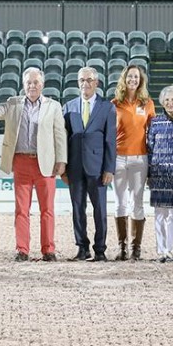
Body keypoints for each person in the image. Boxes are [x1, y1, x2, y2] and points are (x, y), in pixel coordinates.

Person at [0, 67, 67, 261]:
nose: (32, 86)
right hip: (21, 162)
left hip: (45, 163)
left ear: (42, 84)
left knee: (48, 210)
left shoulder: (53, 106)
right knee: (21, 210)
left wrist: (61, 160)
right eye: (28, 83)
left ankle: (48, 250)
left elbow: (60, 135)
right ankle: (22, 250)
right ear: (23, 85)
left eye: (35, 82)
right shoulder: (13, 103)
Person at [61, 67, 116, 262]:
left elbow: (111, 140)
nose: (85, 83)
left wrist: (109, 168)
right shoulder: (68, 107)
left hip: (98, 167)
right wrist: (63, 167)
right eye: (82, 80)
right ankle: (82, 248)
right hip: (74, 168)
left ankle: (100, 249)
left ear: (97, 83)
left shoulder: (107, 107)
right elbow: (63, 140)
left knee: (99, 209)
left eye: (89, 80)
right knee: (77, 208)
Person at [111, 64, 156, 261]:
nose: (133, 80)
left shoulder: (147, 103)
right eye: (130, 76)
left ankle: (136, 248)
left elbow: (153, 134)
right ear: (124, 79)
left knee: (137, 202)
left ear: (141, 80)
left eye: (136, 77)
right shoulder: (114, 103)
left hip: (140, 158)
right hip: (118, 157)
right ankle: (122, 248)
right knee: (120, 203)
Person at [146, 86, 173, 262]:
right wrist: (149, 173)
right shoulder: (155, 122)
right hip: (159, 173)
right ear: (162, 103)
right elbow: (149, 148)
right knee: (159, 213)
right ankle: (161, 250)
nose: (170, 103)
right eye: (166, 100)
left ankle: (170, 250)